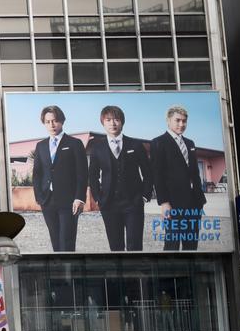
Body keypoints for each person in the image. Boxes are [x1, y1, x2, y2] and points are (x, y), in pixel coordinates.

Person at [86, 105, 153, 251]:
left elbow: (148, 173)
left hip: (133, 202)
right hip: (108, 204)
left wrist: (144, 196)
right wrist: (98, 198)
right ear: (103, 122)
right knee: (115, 246)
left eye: (116, 119)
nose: (113, 123)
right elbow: (92, 175)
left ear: (122, 122)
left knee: (135, 245)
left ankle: (135, 273)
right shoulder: (97, 147)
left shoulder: (135, 144)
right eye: (108, 120)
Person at [30, 105, 88, 252]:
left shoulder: (75, 144)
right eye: (48, 122)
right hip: (47, 201)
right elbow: (37, 174)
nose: (52, 125)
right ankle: (60, 274)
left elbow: (82, 173)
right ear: (44, 123)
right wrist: (39, 196)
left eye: (55, 121)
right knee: (55, 242)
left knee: (67, 242)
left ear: (62, 121)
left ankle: (70, 274)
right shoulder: (41, 146)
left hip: (69, 201)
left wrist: (79, 198)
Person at [151, 105, 206, 251]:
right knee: (172, 243)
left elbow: (194, 172)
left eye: (184, 121)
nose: (181, 124)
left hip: (194, 202)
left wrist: (199, 197)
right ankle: (169, 274)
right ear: (168, 120)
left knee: (191, 243)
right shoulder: (158, 142)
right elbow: (158, 175)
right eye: (177, 120)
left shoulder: (190, 143)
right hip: (173, 203)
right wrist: (164, 202)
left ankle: (190, 273)